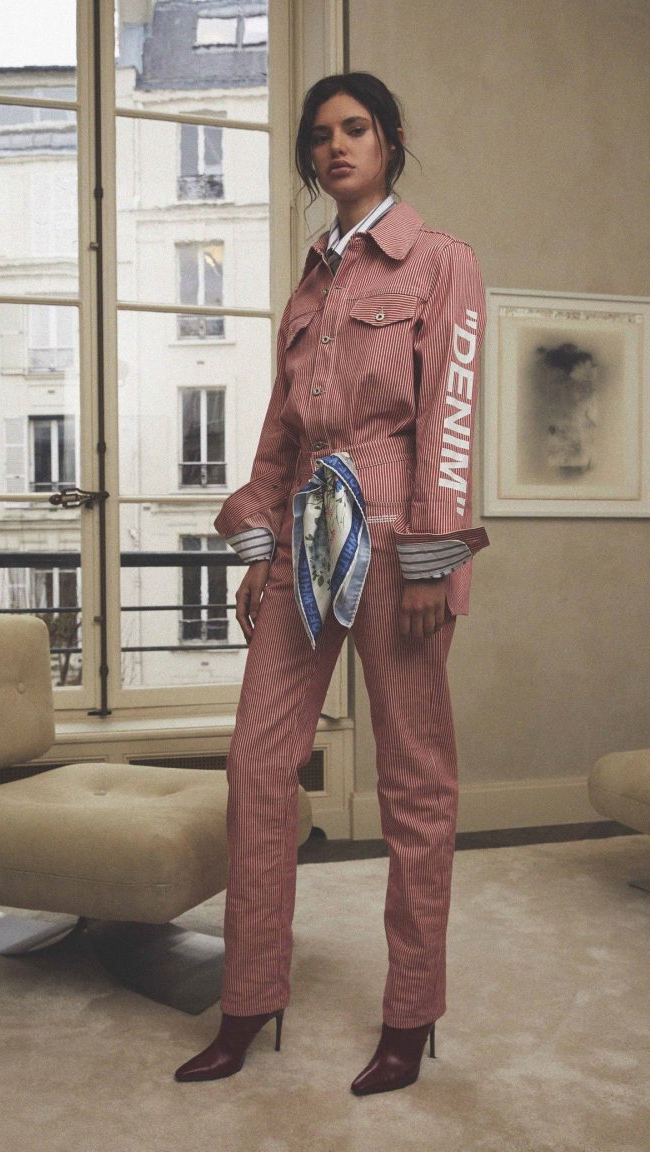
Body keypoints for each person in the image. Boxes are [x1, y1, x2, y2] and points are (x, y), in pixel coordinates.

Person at [175, 71, 488, 1095]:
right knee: (258, 767)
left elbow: (449, 424)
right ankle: (249, 999)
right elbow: (281, 434)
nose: (337, 147)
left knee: (415, 784)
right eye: (320, 136)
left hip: (399, 542)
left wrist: (431, 558)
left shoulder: (442, 262)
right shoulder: (311, 281)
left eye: (356, 129)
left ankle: (410, 1016)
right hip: (305, 539)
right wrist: (259, 544)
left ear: (390, 140)